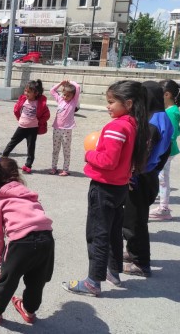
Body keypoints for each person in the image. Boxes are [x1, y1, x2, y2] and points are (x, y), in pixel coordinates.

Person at [62, 80, 149, 297]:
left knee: (97, 234)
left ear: (128, 103)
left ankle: (93, 281)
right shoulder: (134, 124)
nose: (107, 106)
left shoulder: (116, 126)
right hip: (119, 187)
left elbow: (108, 161)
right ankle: (113, 271)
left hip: (104, 187)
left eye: (111, 102)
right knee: (112, 231)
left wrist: (89, 154)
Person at [0, 157, 54, 325]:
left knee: (8, 280)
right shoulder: (29, 194)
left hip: (21, 243)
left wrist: (1, 263)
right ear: (16, 174)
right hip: (46, 239)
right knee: (37, 281)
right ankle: (29, 310)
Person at [121, 81, 173, 278]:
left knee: (135, 222)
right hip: (148, 176)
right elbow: (166, 151)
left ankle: (141, 263)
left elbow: (143, 153)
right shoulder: (162, 117)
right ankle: (134, 252)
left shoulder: (153, 122)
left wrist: (133, 174)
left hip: (140, 178)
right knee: (135, 218)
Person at [150, 79, 180, 221]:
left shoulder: (171, 112)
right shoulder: (171, 110)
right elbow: (178, 130)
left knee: (163, 179)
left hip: (166, 151)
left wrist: (159, 149)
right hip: (165, 150)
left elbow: (171, 134)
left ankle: (163, 208)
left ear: (167, 95)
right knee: (161, 178)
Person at [1, 80, 50, 174]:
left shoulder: (40, 103)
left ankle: (28, 165)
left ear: (36, 93)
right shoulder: (23, 100)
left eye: (29, 92)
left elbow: (46, 115)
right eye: (25, 91)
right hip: (21, 127)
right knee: (12, 142)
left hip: (33, 129)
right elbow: (16, 109)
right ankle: (4, 157)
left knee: (31, 148)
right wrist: (20, 119)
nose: (26, 93)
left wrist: (39, 122)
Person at [49, 80, 81, 176]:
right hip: (57, 128)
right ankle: (54, 168)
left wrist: (70, 81)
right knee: (55, 150)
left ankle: (65, 169)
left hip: (67, 130)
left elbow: (78, 87)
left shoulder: (73, 102)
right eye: (64, 95)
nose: (65, 97)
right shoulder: (60, 100)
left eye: (68, 95)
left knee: (66, 150)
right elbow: (52, 90)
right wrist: (61, 83)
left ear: (73, 96)